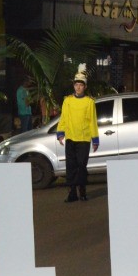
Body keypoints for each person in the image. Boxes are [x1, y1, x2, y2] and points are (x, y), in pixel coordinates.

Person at [56, 64, 99, 203]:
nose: (78, 87)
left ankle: (82, 191)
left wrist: (95, 139)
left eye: (81, 85)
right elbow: (63, 118)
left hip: (84, 140)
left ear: (85, 87)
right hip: (70, 138)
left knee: (81, 166)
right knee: (71, 167)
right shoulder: (67, 100)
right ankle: (72, 193)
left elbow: (93, 121)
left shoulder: (89, 102)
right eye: (76, 85)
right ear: (73, 86)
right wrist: (60, 133)